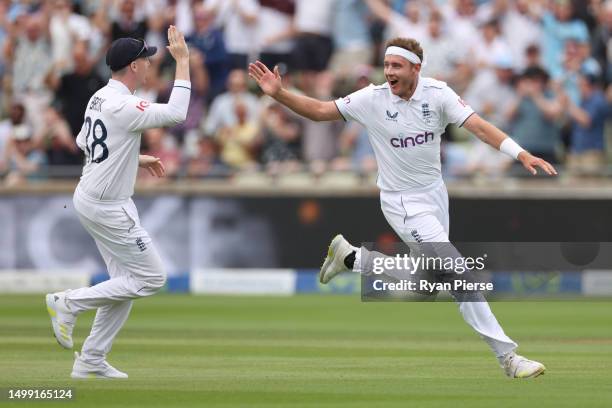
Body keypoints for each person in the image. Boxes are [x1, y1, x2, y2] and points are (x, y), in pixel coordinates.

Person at [249, 37, 556, 378]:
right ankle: (509, 358)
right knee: (458, 274)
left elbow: (480, 128)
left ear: (415, 68)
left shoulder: (438, 94)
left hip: (435, 198)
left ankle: (352, 258)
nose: (389, 72)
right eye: (387, 65)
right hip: (402, 202)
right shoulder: (372, 98)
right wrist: (279, 94)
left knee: (426, 286)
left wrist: (521, 153)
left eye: (397, 66)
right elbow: (321, 112)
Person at [45, 26, 191, 379]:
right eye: (147, 60)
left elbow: (87, 143)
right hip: (107, 206)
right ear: (134, 67)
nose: (150, 65)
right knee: (151, 278)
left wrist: (133, 158)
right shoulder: (126, 104)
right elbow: (176, 114)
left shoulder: (99, 97)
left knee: (125, 281)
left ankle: (91, 359)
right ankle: (67, 302)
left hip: (95, 197)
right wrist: (183, 62)